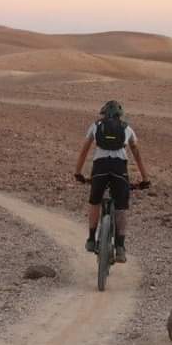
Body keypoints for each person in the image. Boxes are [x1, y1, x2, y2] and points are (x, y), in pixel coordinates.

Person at [72, 100, 150, 263]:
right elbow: (136, 153)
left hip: (100, 167)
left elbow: (84, 151)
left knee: (95, 201)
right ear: (120, 115)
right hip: (119, 168)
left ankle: (92, 239)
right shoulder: (127, 128)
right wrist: (145, 178)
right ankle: (120, 247)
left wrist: (78, 172)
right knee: (121, 207)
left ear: (104, 113)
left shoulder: (96, 126)